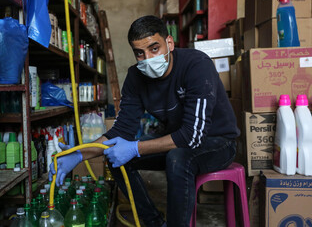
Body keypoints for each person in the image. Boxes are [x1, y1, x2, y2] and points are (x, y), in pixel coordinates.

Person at [49, 15, 240, 227]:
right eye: (140, 53)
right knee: (115, 156)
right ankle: (154, 222)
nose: (147, 58)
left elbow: (192, 136)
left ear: (169, 43)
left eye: (154, 49)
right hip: (175, 139)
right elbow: (120, 132)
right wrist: (78, 155)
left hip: (218, 142)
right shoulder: (135, 78)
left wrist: (136, 148)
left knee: (177, 158)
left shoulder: (196, 65)